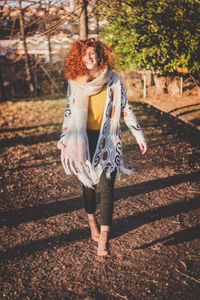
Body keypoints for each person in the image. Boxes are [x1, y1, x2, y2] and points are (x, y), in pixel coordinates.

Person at [58, 38, 147, 257]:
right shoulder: (75, 82)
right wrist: (63, 137)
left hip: (108, 139)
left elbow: (125, 108)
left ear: (99, 55)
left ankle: (104, 241)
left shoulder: (114, 79)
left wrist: (139, 135)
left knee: (107, 187)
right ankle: (92, 223)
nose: (88, 58)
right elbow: (69, 111)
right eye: (84, 54)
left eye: (92, 53)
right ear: (79, 58)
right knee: (88, 185)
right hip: (82, 138)